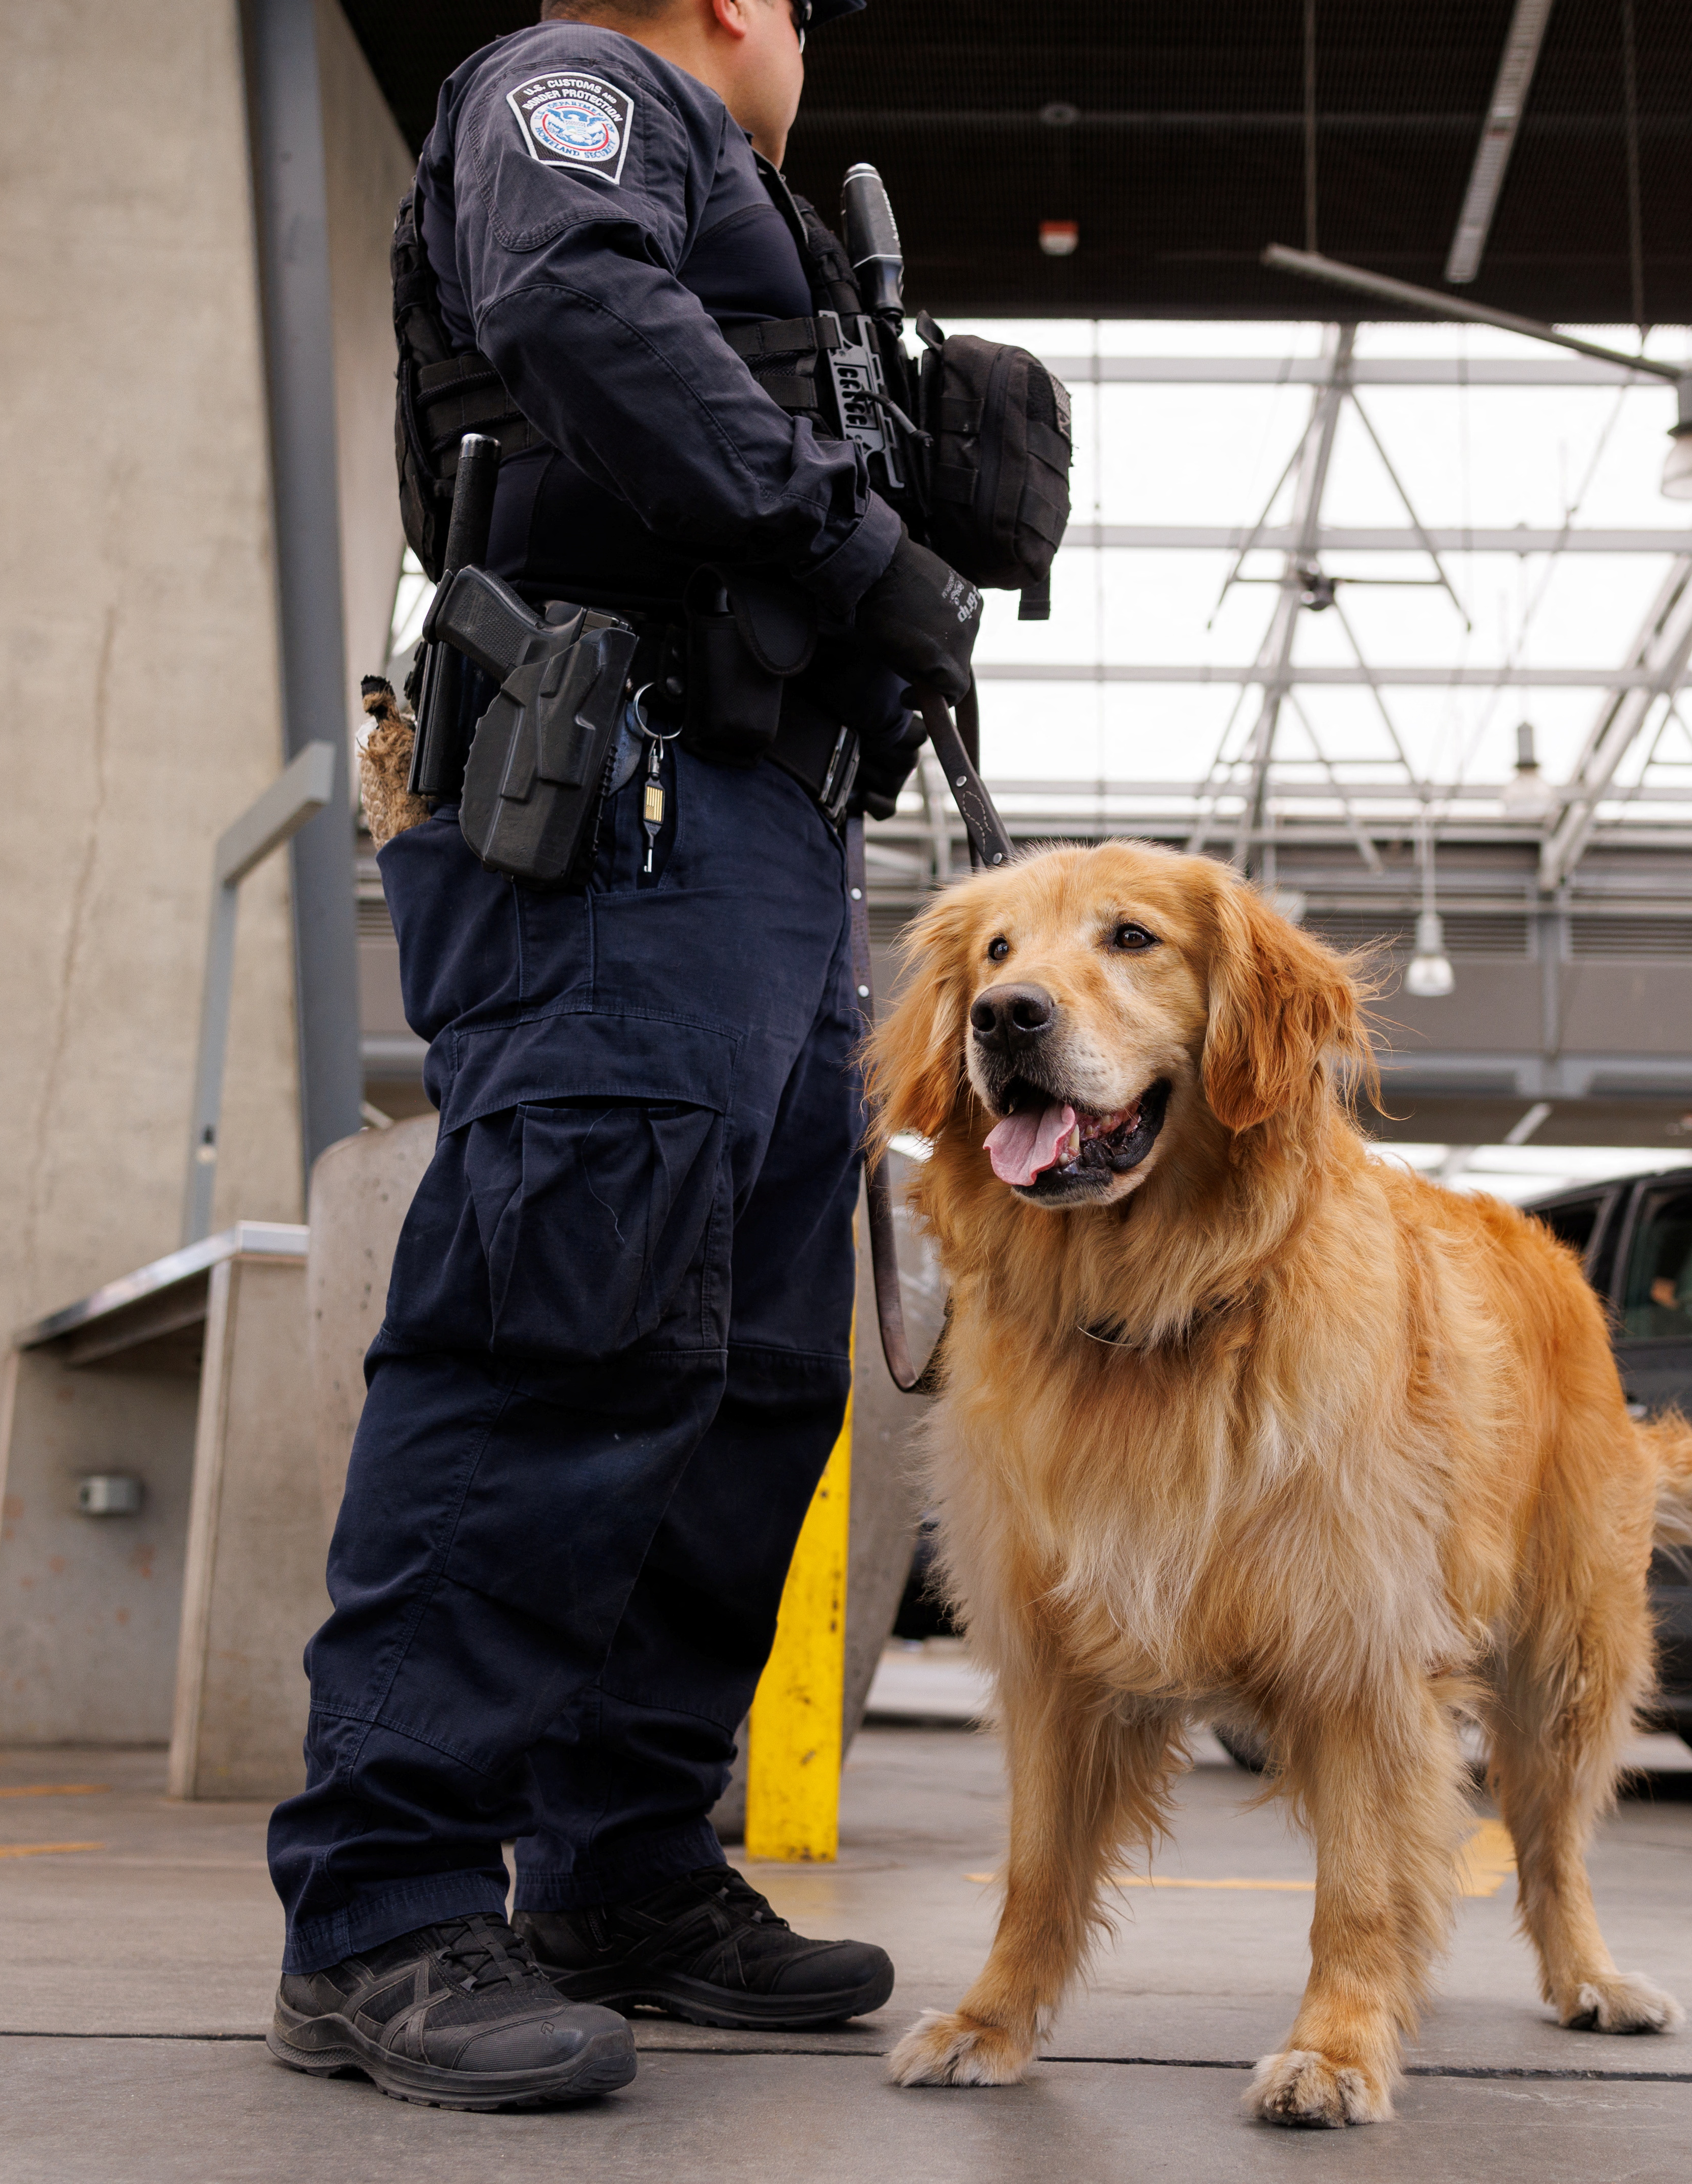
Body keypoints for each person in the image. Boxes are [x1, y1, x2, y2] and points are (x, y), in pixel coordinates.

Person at [264, 0, 976, 2114]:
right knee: (556, 1332)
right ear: (729, 5)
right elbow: (575, 307)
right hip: (619, 806)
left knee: (747, 1371)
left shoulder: (746, 199)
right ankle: (380, 1906)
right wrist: (860, 546)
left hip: (761, 829)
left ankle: (617, 1868)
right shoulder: (574, 99)